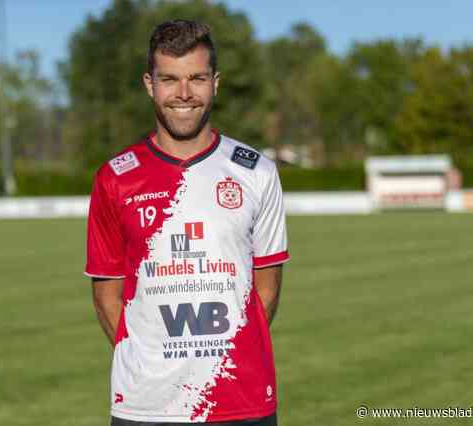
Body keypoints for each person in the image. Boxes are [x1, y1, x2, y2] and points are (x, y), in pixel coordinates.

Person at [85, 20, 289, 426]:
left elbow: (267, 286)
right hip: (146, 403)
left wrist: (221, 359)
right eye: (169, 79)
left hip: (240, 397)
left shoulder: (257, 172)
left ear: (215, 83)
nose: (183, 93)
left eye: (196, 78)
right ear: (149, 84)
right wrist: (148, 363)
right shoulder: (115, 178)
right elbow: (107, 294)